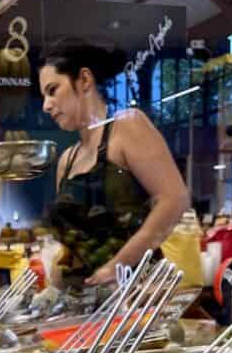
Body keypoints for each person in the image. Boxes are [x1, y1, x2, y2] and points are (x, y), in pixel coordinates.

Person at [39, 41, 189, 285]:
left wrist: (114, 267)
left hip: (138, 294)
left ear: (84, 80)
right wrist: (58, 267)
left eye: (52, 90)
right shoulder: (67, 160)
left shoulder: (128, 126)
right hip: (87, 300)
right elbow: (73, 240)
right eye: (44, 96)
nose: (46, 105)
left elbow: (174, 200)